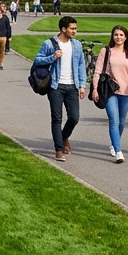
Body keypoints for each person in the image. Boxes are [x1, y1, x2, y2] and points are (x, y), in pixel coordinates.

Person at [34, 16, 86, 161]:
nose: (75, 31)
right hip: (55, 86)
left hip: (72, 86)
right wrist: (52, 57)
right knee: (57, 118)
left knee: (74, 118)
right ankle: (58, 149)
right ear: (64, 29)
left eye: (75, 28)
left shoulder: (76, 45)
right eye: (72, 28)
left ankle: (63, 137)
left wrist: (82, 85)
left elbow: (81, 65)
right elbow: (37, 60)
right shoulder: (49, 44)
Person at [92, 24, 128, 163]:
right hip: (110, 91)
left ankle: (114, 144)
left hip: (126, 92)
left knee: (121, 122)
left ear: (126, 37)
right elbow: (97, 72)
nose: (118, 37)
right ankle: (119, 151)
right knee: (113, 120)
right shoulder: (106, 51)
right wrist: (95, 89)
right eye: (116, 35)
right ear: (112, 36)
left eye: (121, 35)